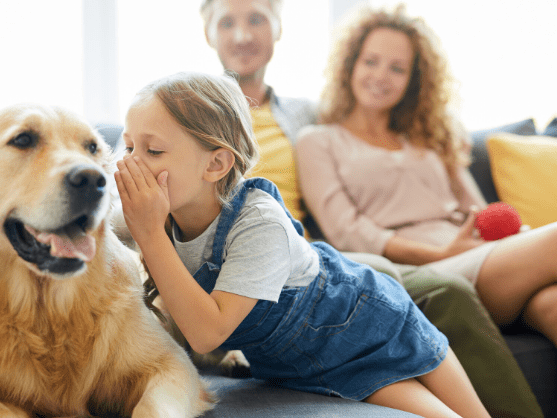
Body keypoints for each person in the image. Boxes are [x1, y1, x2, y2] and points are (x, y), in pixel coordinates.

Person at [200, 0, 542, 418]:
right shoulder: (208, 116)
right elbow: (348, 229)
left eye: (256, 20)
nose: (242, 35)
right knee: (446, 287)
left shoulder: (302, 116)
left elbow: (477, 210)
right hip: (301, 262)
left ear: (278, 28)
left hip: (393, 253)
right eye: (227, 23)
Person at [114, 71, 490, 417]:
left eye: (153, 151)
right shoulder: (155, 213)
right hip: (294, 365)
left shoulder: (258, 222)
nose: (130, 165)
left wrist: (149, 235)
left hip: (371, 327)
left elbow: (207, 333)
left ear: (216, 165)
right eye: (129, 147)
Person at [295, 4, 557, 350]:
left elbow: (477, 210)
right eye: (370, 61)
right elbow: (348, 232)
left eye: (397, 68)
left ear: (413, 79)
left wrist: (509, 240)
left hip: (478, 256)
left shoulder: (429, 139)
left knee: (551, 305)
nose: (381, 76)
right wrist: (440, 255)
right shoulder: (318, 140)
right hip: (425, 272)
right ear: (350, 65)